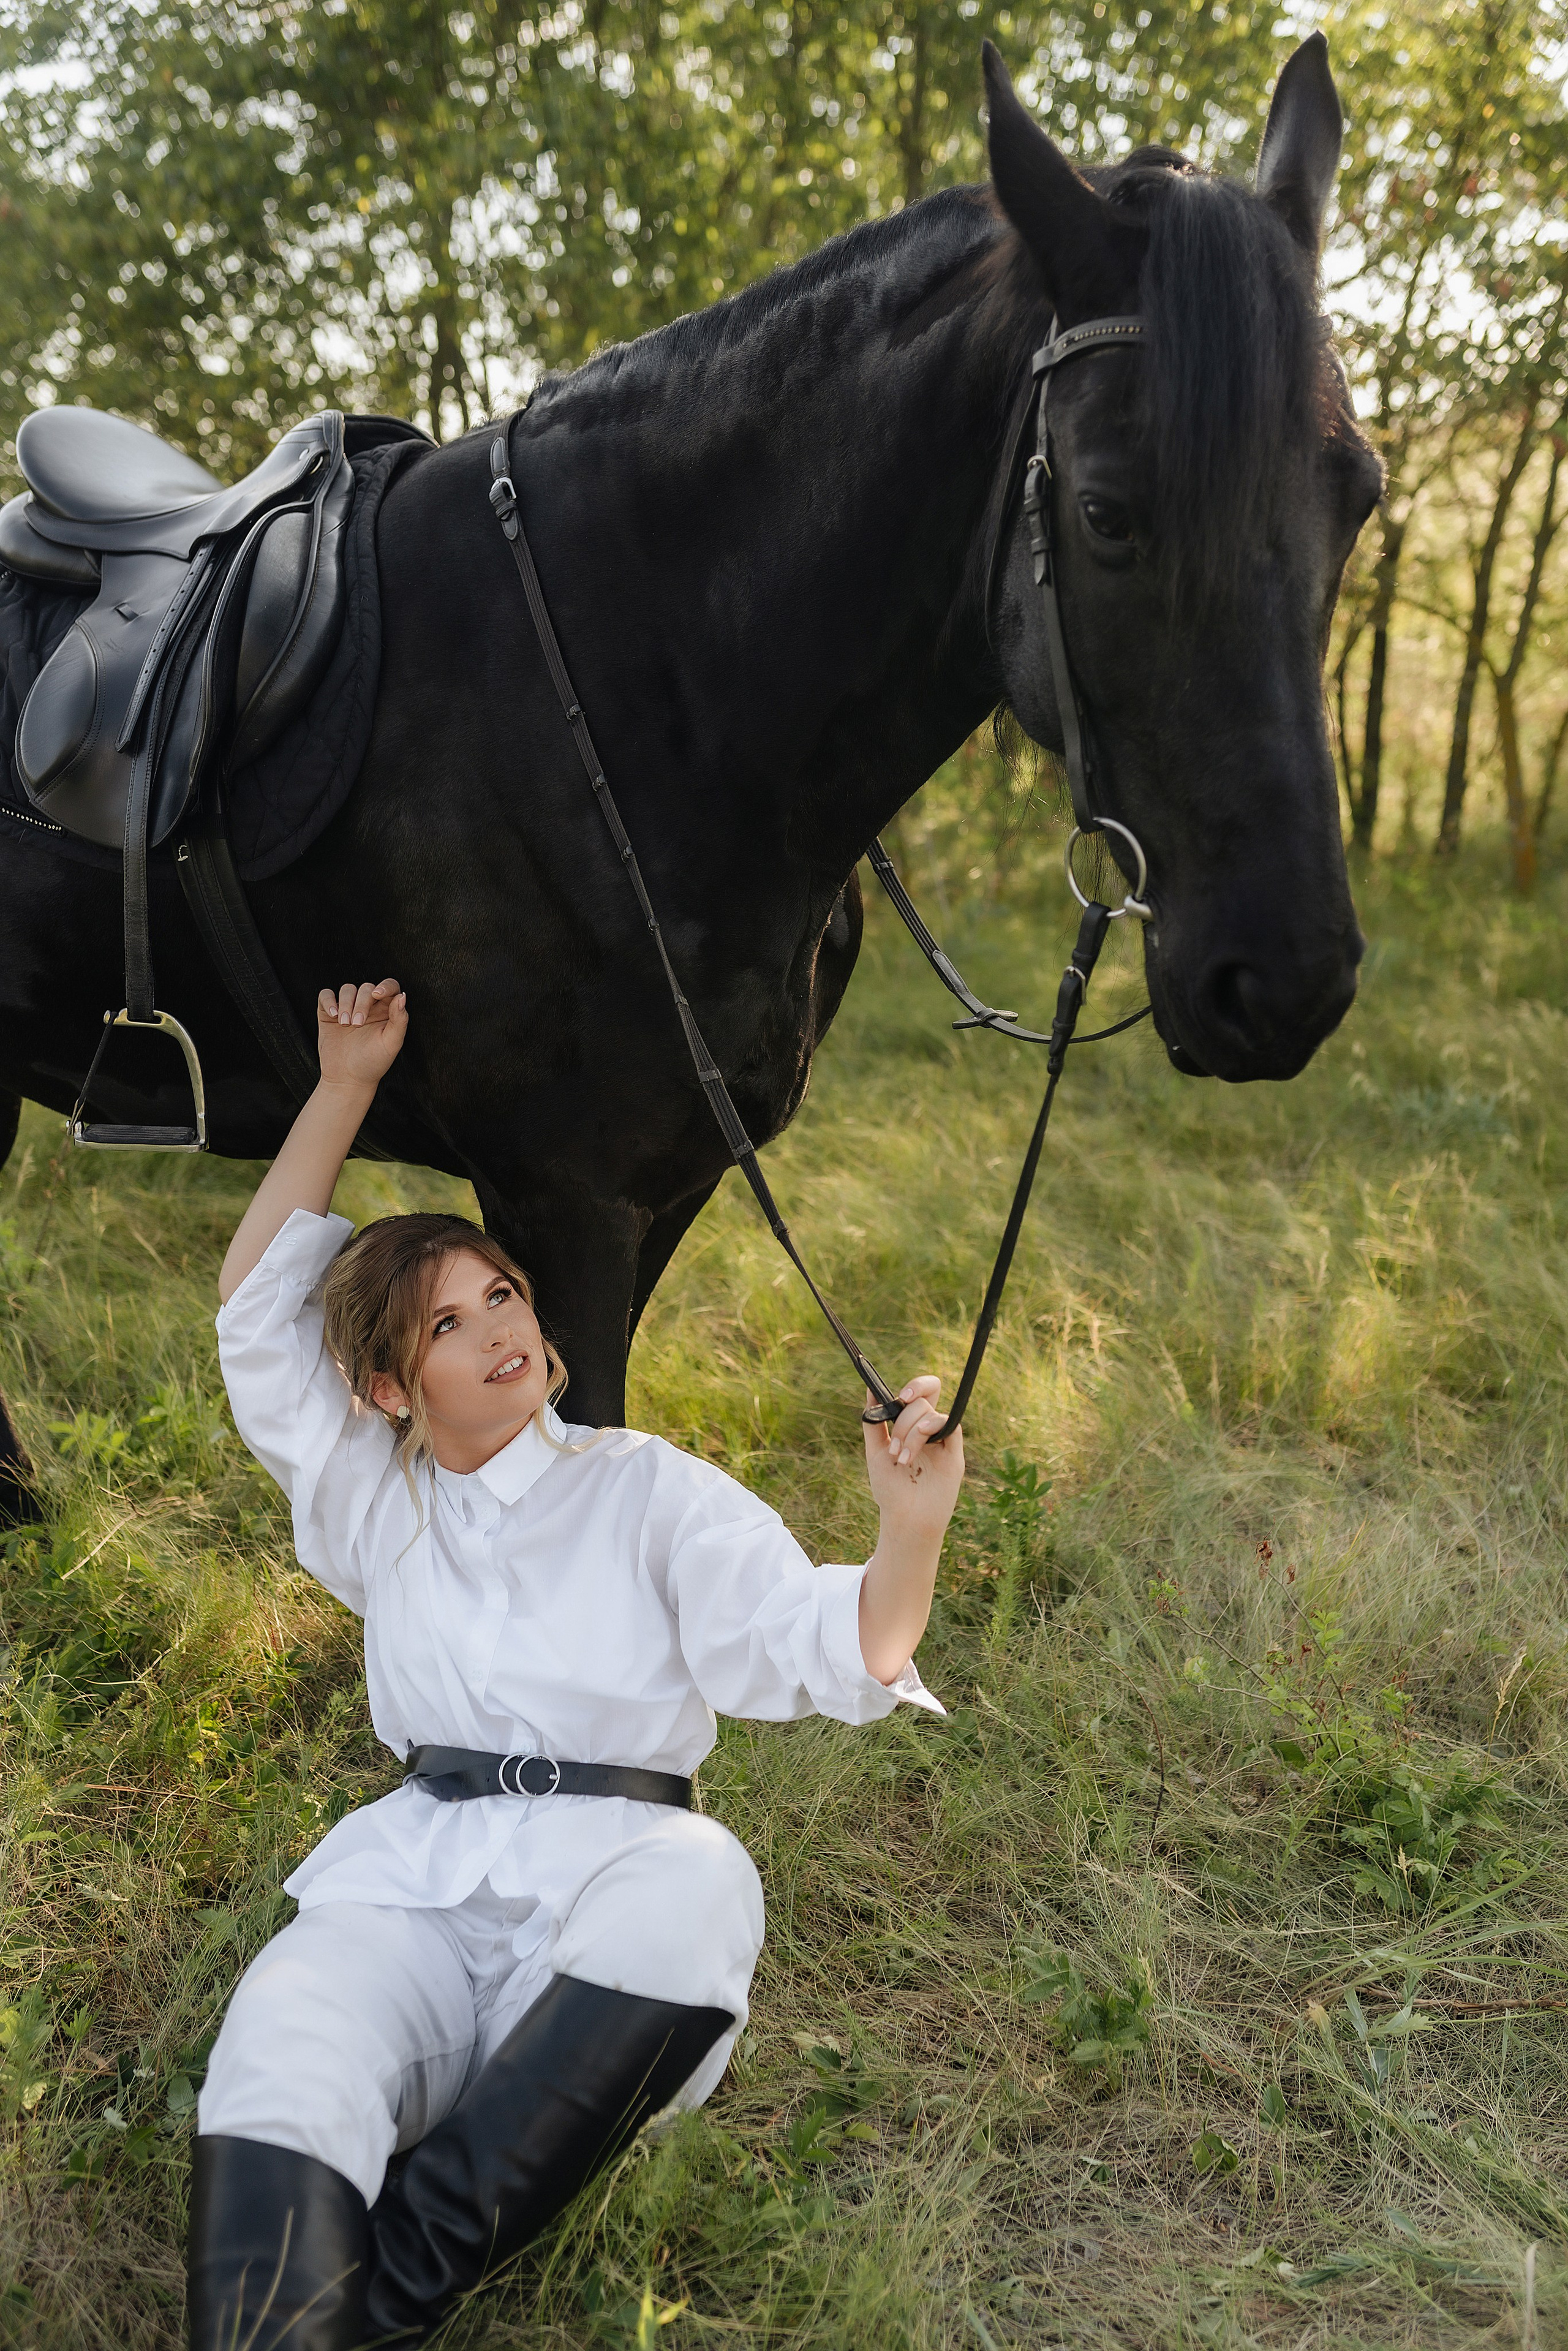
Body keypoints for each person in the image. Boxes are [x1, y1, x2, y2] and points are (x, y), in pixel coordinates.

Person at [188, 977, 963, 2350]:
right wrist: (345, 1085)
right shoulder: (375, 1502)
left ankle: (392, 2293)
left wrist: (912, 1529)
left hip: (606, 1935)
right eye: (446, 1324)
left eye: (501, 1293)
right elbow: (256, 1311)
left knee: (704, 1877)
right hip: (416, 1899)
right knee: (281, 2026)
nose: (499, 1328)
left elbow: (836, 1644)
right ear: (388, 1391)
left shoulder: (644, 1486)